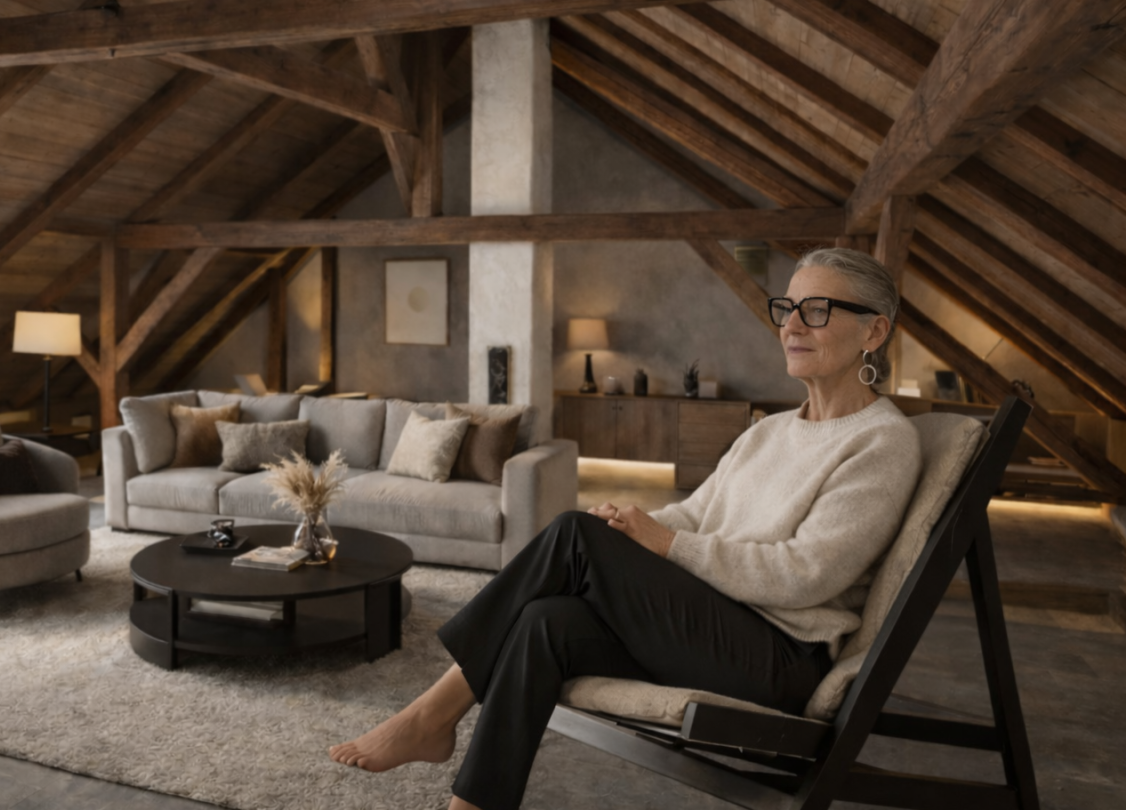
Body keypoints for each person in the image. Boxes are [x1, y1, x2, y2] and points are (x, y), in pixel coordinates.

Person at [328, 248, 923, 810]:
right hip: (715, 626)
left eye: (817, 310)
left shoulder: (881, 442)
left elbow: (805, 574)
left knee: (572, 535)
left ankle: (433, 715)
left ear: (874, 330)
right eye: (786, 308)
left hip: (779, 659)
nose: (792, 324)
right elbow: (694, 514)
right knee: (546, 621)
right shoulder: (767, 431)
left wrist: (659, 543)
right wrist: (632, 528)